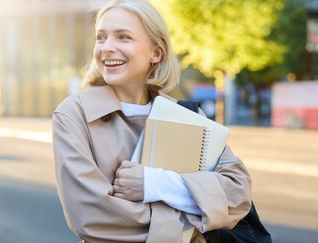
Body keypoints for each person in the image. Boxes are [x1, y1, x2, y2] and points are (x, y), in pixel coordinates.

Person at [52, 0, 252, 242]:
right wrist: (200, 215)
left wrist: (154, 184)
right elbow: (93, 218)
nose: (107, 47)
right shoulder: (74, 115)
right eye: (101, 37)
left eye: (123, 37)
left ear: (156, 52)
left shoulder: (187, 115)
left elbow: (238, 195)